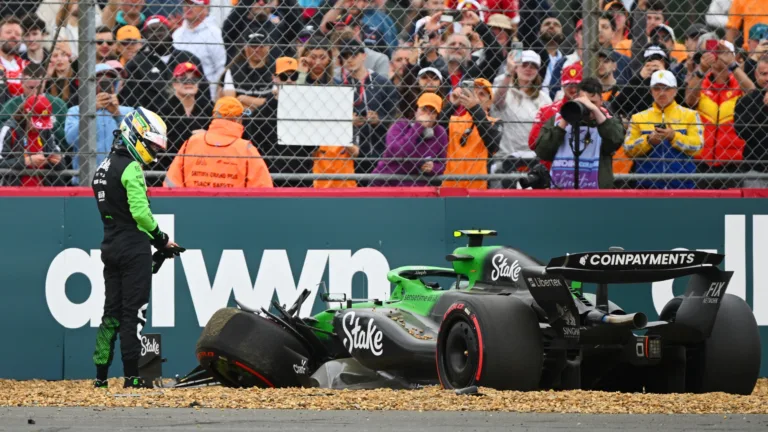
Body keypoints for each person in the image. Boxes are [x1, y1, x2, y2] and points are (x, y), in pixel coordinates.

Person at [91, 107, 183, 390]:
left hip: (110, 245)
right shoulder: (131, 167)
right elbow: (140, 214)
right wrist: (161, 239)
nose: (153, 153)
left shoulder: (102, 167)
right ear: (135, 136)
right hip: (133, 246)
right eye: (151, 146)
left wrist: (155, 250)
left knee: (110, 314)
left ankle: (100, 379)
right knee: (133, 314)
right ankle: (132, 378)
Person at [534, 77, 625, 189]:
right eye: (584, 102)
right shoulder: (558, 120)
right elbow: (542, 152)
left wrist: (596, 111)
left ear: (601, 101)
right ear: (576, 98)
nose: (588, 107)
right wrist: (566, 119)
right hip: (561, 190)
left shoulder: (608, 121)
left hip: (595, 191)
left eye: (592, 102)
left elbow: (615, 141)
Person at [163, 97, 274, 188]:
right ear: (238, 119)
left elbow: (171, 183)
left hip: (193, 205)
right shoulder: (246, 149)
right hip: (235, 207)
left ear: (214, 116)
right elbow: (263, 188)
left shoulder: (191, 143)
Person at [624, 70, 703, 189]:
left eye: (667, 88)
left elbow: (698, 147)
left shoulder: (690, 115)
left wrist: (674, 137)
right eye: (657, 89)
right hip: (647, 186)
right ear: (651, 91)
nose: (661, 93)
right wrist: (648, 140)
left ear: (675, 91)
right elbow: (628, 149)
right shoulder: (638, 118)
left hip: (683, 185)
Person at [370, 92, 448, 186]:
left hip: (415, 186)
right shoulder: (400, 125)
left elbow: (442, 165)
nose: (427, 115)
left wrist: (433, 168)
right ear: (416, 111)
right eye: (424, 109)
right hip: (387, 182)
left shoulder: (440, 133)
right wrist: (418, 127)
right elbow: (396, 152)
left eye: (432, 112)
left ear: (437, 117)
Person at [442, 78, 502, 190]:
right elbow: (436, 128)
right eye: (473, 92)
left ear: (489, 103)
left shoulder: (495, 122)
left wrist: (475, 108)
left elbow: (493, 144)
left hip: (479, 188)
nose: (476, 97)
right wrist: (452, 104)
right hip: (450, 186)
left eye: (482, 94)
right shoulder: (454, 120)